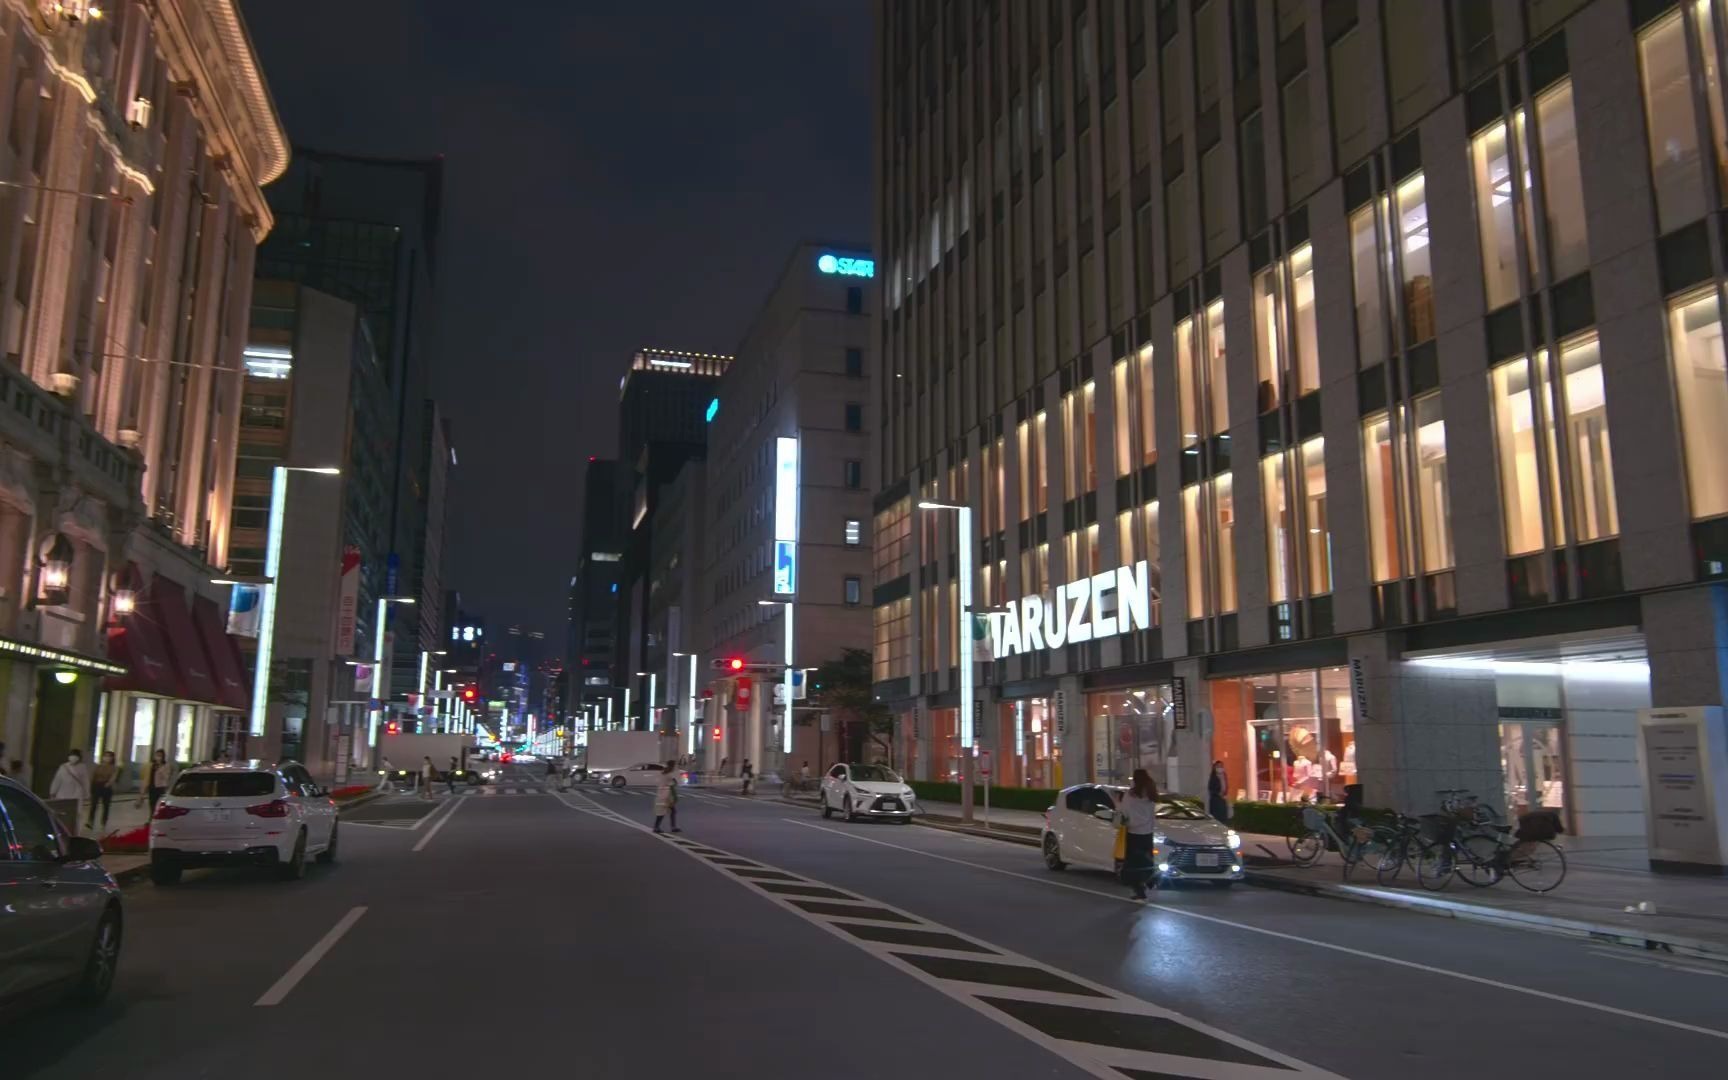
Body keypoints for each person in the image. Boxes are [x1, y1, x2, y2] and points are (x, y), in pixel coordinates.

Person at [1116, 769, 1161, 902]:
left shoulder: (1130, 795)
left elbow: (1124, 813)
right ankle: (1151, 877)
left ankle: (1139, 890)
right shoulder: (1152, 795)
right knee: (1146, 859)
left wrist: (1117, 803)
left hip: (1134, 833)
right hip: (1147, 833)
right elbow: (1153, 815)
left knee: (1133, 865)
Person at [51, 749, 92, 834]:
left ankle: (75, 831)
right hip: (63, 793)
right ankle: (61, 830)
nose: (72, 757)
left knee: (76, 813)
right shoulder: (63, 767)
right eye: (71, 755)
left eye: (75, 756)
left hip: (77, 794)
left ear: (79, 757)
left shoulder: (82, 767)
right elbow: (57, 779)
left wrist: (87, 794)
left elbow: (85, 781)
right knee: (62, 812)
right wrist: (53, 791)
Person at [88, 751, 119, 832]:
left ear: (112, 758)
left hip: (106, 787)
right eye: (105, 756)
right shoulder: (98, 766)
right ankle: (90, 821)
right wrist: (91, 786)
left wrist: (109, 783)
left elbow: (113, 777)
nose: (107, 758)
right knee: (93, 804)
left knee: (106, 806)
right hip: (96, 786)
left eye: (109, 756)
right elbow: (92, 776)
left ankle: (104, 821)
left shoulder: (114, 767)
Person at [652, 759, 681, 834]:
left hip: (660, 794)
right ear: (673, 766)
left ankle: (660, 827)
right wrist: (675, 797)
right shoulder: (670, 775)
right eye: (675, 765)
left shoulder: (663, 772)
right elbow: (672, 786)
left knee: (667, 811)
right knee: (664, 812)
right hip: (666, 796)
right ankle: (658, 827)